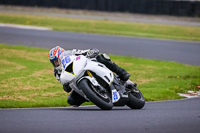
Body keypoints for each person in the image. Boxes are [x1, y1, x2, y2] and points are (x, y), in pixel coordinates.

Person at [48, 46, 130, 106]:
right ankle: (93, 95)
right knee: (71, 101)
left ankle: (122, 73)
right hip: (77, 83)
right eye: (54, 62)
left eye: (57, 60)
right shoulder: (57, 73)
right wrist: (65, 86)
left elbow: (81, 52)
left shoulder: (70, 53)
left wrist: (90, 52)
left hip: (85, 66)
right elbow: (65, 87)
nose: (56, 63)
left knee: (101, 57)